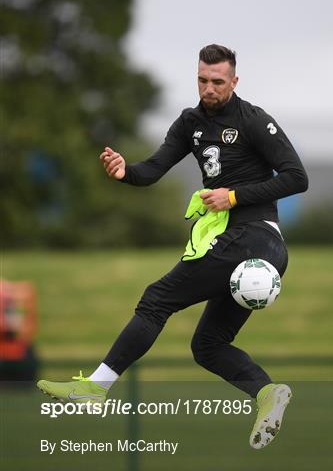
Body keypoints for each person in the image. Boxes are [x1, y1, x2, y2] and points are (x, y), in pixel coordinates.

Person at [38, 44, 308, 449]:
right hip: (235, 246)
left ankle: (95, 389)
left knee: (156, 298)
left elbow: (296, 177)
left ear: (234, 81)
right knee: (208, 346)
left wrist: (232, 197)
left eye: (218, 81)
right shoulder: (190, 123)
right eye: (202, 80)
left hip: (257, 239)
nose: (209, 88)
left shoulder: (254, 121)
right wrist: (124, 171)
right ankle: (268, 392)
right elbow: (153, 168)